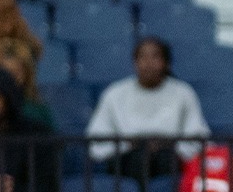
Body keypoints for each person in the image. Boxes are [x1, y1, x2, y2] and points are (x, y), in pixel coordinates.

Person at [86, 37, 210, 183]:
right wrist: (131, 144)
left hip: (169, 156)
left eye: (155, 56)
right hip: (127, 158)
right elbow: (96, 138)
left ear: (167, 63)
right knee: (138, 159)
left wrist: (167, 144)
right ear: (135, 62)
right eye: (142, 57)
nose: (148, 63)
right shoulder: (114, 93)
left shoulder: (183, 93)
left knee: (167, 160)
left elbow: (197, 135)